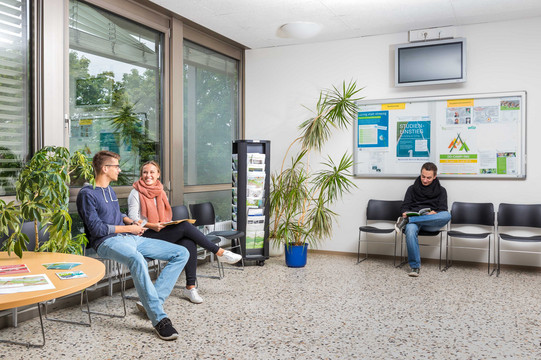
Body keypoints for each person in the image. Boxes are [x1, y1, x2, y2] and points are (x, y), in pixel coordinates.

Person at [77, 151, 189, 341]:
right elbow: (97, 229)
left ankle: (152, 303)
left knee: (181, 252)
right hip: (106, 242)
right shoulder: (87, 194)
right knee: (137, 260)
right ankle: (159, 319)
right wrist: (128, 229)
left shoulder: (110, 191)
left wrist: (133, 223)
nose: (119, 170)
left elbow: (116, 214)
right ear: (105, 169)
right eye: (116, 166)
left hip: (129, 237)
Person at [127, 161, 242, 304]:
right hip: (144, 235)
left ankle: (190, 287)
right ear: (141, 174)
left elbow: (165, 215)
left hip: (160, 231)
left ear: (158, 174)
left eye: (152, 172)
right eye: (145, 172)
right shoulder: (135, 192)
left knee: (188, 241)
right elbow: (133, 219)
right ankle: (219, 252)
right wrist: (152, 225)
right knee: (185, 227)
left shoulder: (160, 191)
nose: (148, 175)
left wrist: (163, 225)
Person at [394, 162, 451, 277]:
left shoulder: (441, 190)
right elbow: (405, 206)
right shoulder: (411, 189)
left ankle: (408, 221)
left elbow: (443, 209)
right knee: (409, 231)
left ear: (435, 176)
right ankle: (415, 267)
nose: (425, 180)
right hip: (415, 220)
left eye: (428, 178)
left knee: (447, 215)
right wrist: (405, 213)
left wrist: (435, 213)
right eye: (423, 176)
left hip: (431, 222)